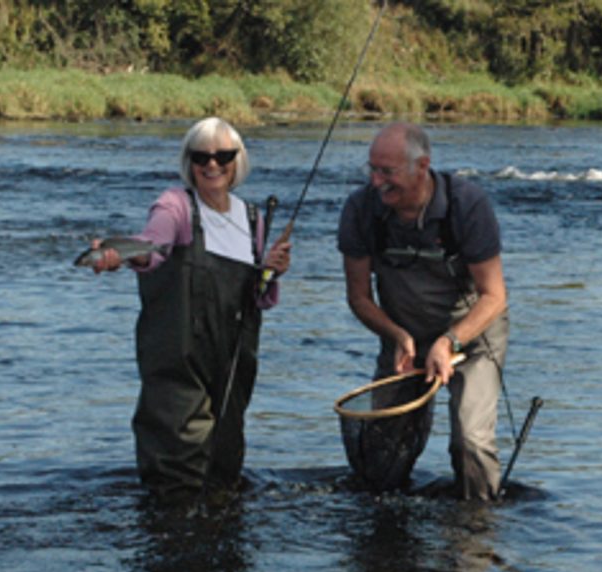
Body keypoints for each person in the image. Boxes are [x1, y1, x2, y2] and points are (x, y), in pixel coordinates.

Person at [89, 116, 291, 505]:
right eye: (201, 157)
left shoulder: (254, 219)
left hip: (233, 367)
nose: (212, 165)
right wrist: (120, 254)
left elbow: (260, 298)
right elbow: (153, 247)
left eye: (222, 156)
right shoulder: (175, 207)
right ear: (189, 162)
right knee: (176, 475)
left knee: (225, 474)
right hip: (178, 367)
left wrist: (271, 271)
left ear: (238, 161)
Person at [337, 122, 509, 501]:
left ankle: (475, 538)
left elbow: (494, 296)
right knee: (382, 457)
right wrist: (398, 336)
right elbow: (360, 298)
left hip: (473, 338)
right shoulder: (360, 209)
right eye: (373, 169)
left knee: (470, 441)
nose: (377, 181)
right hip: (404, 339)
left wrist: (449, 342)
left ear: (422, 165)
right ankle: (387, 549)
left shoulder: (467, 205)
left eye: (388, 172)